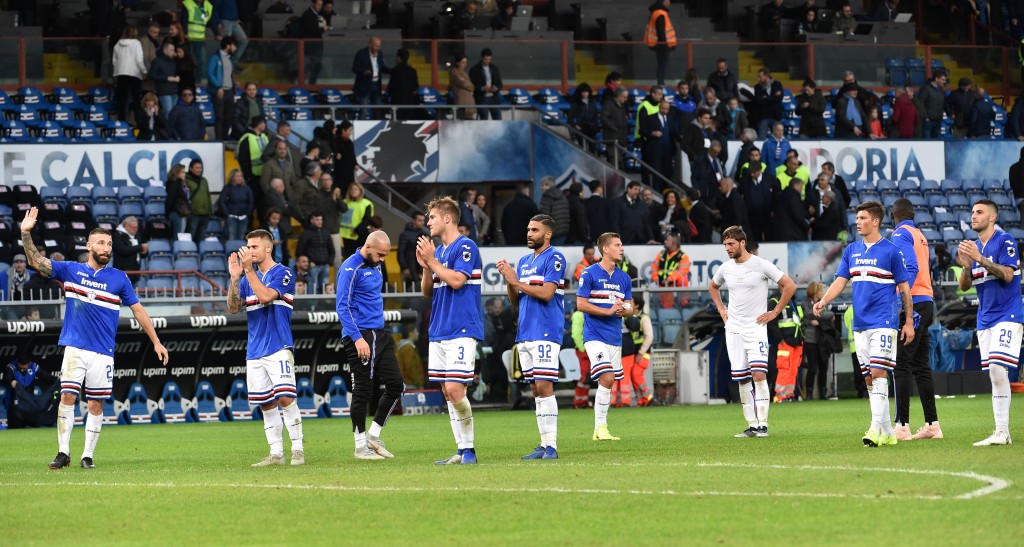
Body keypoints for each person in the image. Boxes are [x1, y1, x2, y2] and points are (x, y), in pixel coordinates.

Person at [19, 208, 169, 469]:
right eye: (100, 243)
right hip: (75, 348)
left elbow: (138, 310)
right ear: (88, 246)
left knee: (95, 403)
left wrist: (156, 341)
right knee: (67, 398)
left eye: (109, 244)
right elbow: (36, 261)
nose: (106, 248)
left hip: (102, 352)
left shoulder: (119, 278)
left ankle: (87, 456)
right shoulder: (71, 270)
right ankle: (63, 452)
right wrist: (25, 233)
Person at [814, 201, 915, 448]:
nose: (857, 222)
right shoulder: (852, 250)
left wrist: (909, 322)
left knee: (879, 373)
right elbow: (840, 281)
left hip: (884, 321)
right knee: (870, 379)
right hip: (860, 324)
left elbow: (905, 289)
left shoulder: (891, 251)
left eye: (862, 218)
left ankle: (873, 429)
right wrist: (824, 300)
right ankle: (888, 432)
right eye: (857, 218)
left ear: (875, 221)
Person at [226, 229, 305, 466]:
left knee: (285, 399)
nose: (249, 251)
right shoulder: (246, 279)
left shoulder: (283, 273)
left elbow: (266, 297)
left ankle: (298, 449)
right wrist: (235, 278)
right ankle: (276, 453)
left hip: (278, 345)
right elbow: (233, 308)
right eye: (248, 247)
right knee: (266, 403)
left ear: (268, 248)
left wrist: (248, 270)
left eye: (254, 247)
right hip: (254, 350)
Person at [709, 225, 795, 437]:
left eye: (731, 244)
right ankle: (752, 425)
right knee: (742, 378)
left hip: (755, 328)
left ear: (742, 243)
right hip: (734, 330)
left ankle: (763, 425)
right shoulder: (725, 268)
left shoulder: (761, 265)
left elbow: (789, 285)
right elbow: (713, 286)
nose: (727, 248)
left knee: (758, 374)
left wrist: (775, 312)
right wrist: (722, 309)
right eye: (725, 244)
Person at [416, 197, 484, 464]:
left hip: (461, 328)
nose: (428, 222)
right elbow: (427, 292)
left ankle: (470, 450)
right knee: (447, 392)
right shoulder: (440, 252)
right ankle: (461, 449)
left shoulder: (466, 246)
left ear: (447, 218)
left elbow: (457, 281)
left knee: (456, 390)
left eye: (432, 217)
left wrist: (432, 261)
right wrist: (426, 267)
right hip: (439, 330)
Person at [496, 214, 566, 460]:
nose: (529, 233)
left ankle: (552, 446)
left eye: (535, 230)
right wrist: (510, 281)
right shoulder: (524, 261)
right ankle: (543, 444)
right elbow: (515, 300)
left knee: (545, 386)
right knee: (536, 389)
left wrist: (516, 281)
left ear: (547, 234)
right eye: (528, 229)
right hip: (525, 332)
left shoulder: (555, 257)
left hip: (545, 330)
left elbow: (547, 294)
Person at [955, 200, 1023, 446]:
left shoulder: (1005, 241)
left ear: (992, 217)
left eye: (979, 212)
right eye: (972, 212)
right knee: (995, 374)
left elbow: (1008, 275)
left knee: (997, 368)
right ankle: (1001, 432)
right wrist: (966, 267)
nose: (973, 216)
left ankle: (1002, 432)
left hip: (1008, 315)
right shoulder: (973, 247)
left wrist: (979, 258)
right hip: (985, 319)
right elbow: (965, 286)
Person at [336, 230, 406, 460]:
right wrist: (357, 338)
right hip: (360, 335)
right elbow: (342, 307)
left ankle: (373, 436)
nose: (383, 260)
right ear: (368, 247)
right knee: (363, 390)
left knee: (396, 384)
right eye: (380, 255)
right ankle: (359, 447)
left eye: (386, 255)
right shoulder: (350, 268)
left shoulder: (375, 264)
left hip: (380, 333)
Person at [888, 198, 942, 440]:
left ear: (893, 215)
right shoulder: (919, 235)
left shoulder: (900, 234)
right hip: (926, 300)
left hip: (914, 303)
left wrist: (900, 299)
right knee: (921, 366)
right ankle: (932, 424)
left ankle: (902, 426)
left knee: (901, 364)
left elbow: (910, 268)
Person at [576, 232, 636, 441]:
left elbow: (630, 308)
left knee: (607, 382)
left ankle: (598, 430)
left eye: (621, 244)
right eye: (617, 245)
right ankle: (601, 427)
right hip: (594, 336)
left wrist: (624, 310)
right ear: (605, 249)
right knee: (608, 377)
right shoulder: (589, 273)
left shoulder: (624, 278)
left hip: (614, 338)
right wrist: (608, 311)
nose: (621, 248)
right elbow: (581, 304)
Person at [799, 281, 838, 400]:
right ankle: (809, 394)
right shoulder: (805, 303)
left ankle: (823, 393)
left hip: (822, 340)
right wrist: (824, 317)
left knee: (823, 367)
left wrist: (819, 321)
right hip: (810, 340)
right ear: (815, 292)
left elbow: (829, 315)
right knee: (812, 368)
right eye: (821, 290)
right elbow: (810, 314)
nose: (822, 293)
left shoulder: (822, 303)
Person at [3, 353, 58, 429]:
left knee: (28, 430)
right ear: (17, 362)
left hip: (28, 405)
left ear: (29, 363)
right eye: (20, 368)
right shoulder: (11, 367)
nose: (22, 370)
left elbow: (48, 378)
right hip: (14, 405)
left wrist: (59, 381)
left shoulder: (34, 367)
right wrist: (11, 382)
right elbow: (6, 378)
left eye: (24, 369)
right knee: (14, 429)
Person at [112, 25, 147, 122]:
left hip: (121, 73)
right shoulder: (136, 43)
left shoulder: (117, 44)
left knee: (122, 99)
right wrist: (144, 71)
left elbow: (114, 61)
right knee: (136, 99)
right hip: (134, 74)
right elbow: (139, 60)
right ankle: (138, 121)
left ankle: (122, 122)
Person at [207, 36, 238, 140]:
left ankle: (224, 139)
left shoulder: (229, 58)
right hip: (219, 91)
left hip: (230, 91)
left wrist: (234, 83)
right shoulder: (215, 58)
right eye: (234, 45)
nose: (235, 48)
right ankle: (219, 140)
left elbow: (228, 74)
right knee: (219, 117)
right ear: (228, 45)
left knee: (228, 118)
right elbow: (210, 74)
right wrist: (218, 86)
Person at [352, 36, 390, 120]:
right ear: (370, 45)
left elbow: (382, 67)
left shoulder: (380, 54)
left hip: (376, 85)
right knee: (363, 110)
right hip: (365, 85)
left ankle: (377, 124)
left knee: (377, 109)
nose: (378, 48)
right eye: (376, 46)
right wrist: (363, 72)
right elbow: (355, 68)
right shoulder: (361, 53)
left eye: (379, 46)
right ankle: (361, 125)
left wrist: (392, 71)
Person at [296, 213, 334, 293]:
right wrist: (309, 262)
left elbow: (331, 249)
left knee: (325, 289)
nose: (320, 221)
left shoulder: (326, 232)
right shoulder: (306, 233)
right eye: (317, 219)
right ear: (311, 220)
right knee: (313, 288)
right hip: (313, 266)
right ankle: (312, 302)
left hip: (325, 265)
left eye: (321, 219)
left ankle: (324, 302)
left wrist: (330, 261)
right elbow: (299, 250)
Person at [645, 0, 676, 86]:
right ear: (663, 2)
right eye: (668, 1)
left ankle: (660, 82)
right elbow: (661, 31)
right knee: (662, 65)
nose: (669, 3)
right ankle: (661, 83)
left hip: (659, 44)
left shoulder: (656, 13)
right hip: (662, 45)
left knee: (661, 64)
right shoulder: (660, 13)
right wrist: (664, 45)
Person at [339, 182, 374, 258]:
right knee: (348, 258)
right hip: (346, 236)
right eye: (352, 189)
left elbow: (367, 219)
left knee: (360, 257)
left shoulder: (366, 203)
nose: (353, 191)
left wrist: (356, 230)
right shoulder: (345, 202)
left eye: (356, 189)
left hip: (360, 235)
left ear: (360, 191)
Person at [600, 88, 631, 168]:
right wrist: (614, 128)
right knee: (614, 160)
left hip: (620, 138)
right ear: (619, 96)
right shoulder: (609, 104)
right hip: (612, 138)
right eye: (624, 97)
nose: (626, 99)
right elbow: (604, 118)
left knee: (619, 160)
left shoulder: (622, 106)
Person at [469, 48, 504, 120]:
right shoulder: (474, 69)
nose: (488, 61)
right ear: (482, 58)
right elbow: (471, 85)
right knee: (484, 118)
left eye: (489, 59)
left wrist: (496, 88)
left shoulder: (494, 68)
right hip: (482, 98)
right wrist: (482, 88)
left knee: (498, 119)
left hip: (493, 97)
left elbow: (500, 83)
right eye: (486, 59)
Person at [220, 169, 255, 242]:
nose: (239, 178)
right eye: (237, 176)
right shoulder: (227, 188)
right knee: (232, 237)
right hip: (232, 217)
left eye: (241, 176)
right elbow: (222, 201)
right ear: (232, 177)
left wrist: (248, 213)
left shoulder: (246, 188)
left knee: (241, 237)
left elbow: (251, 202)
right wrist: (227, 214)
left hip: (244, 217)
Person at [112, 216, 148, 284]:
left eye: (137, 227)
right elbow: (124, 251)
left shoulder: (137, 235)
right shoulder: (117, 236)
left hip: (135, 273)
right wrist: (140, 247)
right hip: (122, 272)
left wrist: (144, 252)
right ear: (126, 226)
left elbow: (140, 253)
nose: (136, 230)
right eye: (133, 227)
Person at [398, 212, 429, 291]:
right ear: (413, 220)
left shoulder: (424, 234)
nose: (422, 222)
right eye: (420, 220)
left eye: (423, 220)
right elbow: (400, 253)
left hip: (419, 269)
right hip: (409, 269)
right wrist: (404, 268)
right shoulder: (405, 235)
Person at [750, 68, 784, 139]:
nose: (758, 79)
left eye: (760, 76)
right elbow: (758, 100)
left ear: (766, 76)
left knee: (778, 137)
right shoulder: (757, 87)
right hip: (763, 116)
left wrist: (765, 97)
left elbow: (779, 99)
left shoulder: (777, 84)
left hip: (776, 115)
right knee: (762, 138)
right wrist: (773, 97)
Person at [149, 41, 180, 117]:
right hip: (164, 92)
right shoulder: (157, 61)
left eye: (173, 50)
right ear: (165, 50)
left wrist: (177, 77)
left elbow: (174, 73)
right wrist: (166, 78)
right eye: (171, 50)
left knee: (173, 114)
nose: (173, 52)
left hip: (174, 91)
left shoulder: (173, 61)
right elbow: (151, 75)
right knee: (168, 113)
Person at [388, 48, 420, 120]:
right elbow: (416, 87)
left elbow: (391, 88)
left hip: (397, 104)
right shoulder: (413, 71)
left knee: (397, 123)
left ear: (399, 58)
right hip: (410, 104)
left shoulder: (395, 71)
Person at [184, 159, 212, 242]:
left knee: (201, 237)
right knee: (191, 236)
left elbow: (207, 195)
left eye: (201, 168)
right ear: (191, 168)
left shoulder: (204, 180)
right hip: (193, 214)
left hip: (205, 214)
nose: (199, 170)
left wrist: (209, 210)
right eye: (197, 168)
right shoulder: (186, 180)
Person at [212, 0, 248, 64]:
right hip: (225, 21)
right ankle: (223, 63)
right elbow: (215, 7)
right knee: (226, 44)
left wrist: (236, 17)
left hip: (234, 21)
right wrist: (217, 21)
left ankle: (232, 62)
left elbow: (233, 7)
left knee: (244, 40)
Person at [774, 176, 809, 242]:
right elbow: (797, 215)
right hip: (792, 233)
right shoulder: (794, 197)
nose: (802, 189)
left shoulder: (781, 194)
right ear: (796, 185)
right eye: (801, 186)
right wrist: (807, 226)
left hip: (780, 231)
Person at [300, 0, 327, 84]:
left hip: (316, 45)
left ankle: (312, 84)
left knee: (315, 66)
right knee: (310, 66)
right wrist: (322, 29)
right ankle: (307, 85)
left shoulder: (317, 14)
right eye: (318, 4)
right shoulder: (308, 14)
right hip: (310, 46)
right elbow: (311, 30)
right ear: (313, 4)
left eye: (321, 5)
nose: (320, 6)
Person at [182, 0, 212, 72]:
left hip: (200, 39)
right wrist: (185, 33)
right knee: (189, 61)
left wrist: (217, 33)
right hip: (189, 38)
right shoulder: (187, 3)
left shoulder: (208, 5)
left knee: (202, 61)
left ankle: (199, 78)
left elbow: (210, 21)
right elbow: (183, 20)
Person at [538, 176, 570, 245]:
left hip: (552, 234)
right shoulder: (563, 196)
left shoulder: (546, 197)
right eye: (542, 185)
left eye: (544, 185)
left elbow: (544, 217)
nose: (542, 187)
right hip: (563, 232)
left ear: (549, 185)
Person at [568, 83, 600, 148]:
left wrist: (596, 125)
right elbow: (570, 117)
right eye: (583, 92)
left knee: (593, 147)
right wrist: (575, 125)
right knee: (582, 147)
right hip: (581, 128)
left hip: (592, 128)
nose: (585, 93)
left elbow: (595, 115)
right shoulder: (576, 104)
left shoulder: (592, 103)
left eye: (586, 92)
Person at [918, 72, 947, 139]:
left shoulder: (940, 90)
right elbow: (920, 104)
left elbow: (942, 103)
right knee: (927, 142)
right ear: (936, 79)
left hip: (938, 120)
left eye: (945, 80)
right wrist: (926, 117)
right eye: (943, 80)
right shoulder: (925, 89)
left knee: (937, 141)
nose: (944, 82)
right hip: (928, 121)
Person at [448, 53, 476, 120]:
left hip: (469, 103)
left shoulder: (465, 73)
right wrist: (469, 85)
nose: (464, 64)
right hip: (461, 102)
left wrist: (468, 84)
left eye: (465, 62)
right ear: (458, 63)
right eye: (463, 62)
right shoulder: (454, 72)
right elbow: (463, 83)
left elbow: (471, 85)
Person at [165, 164, 191, 235]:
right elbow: (169, 200)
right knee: (179, 236)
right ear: (176, 173)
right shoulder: (176, 185)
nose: (184, 174)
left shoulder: (175, 184)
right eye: (182, 172)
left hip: (175, 213)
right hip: (178, 213)